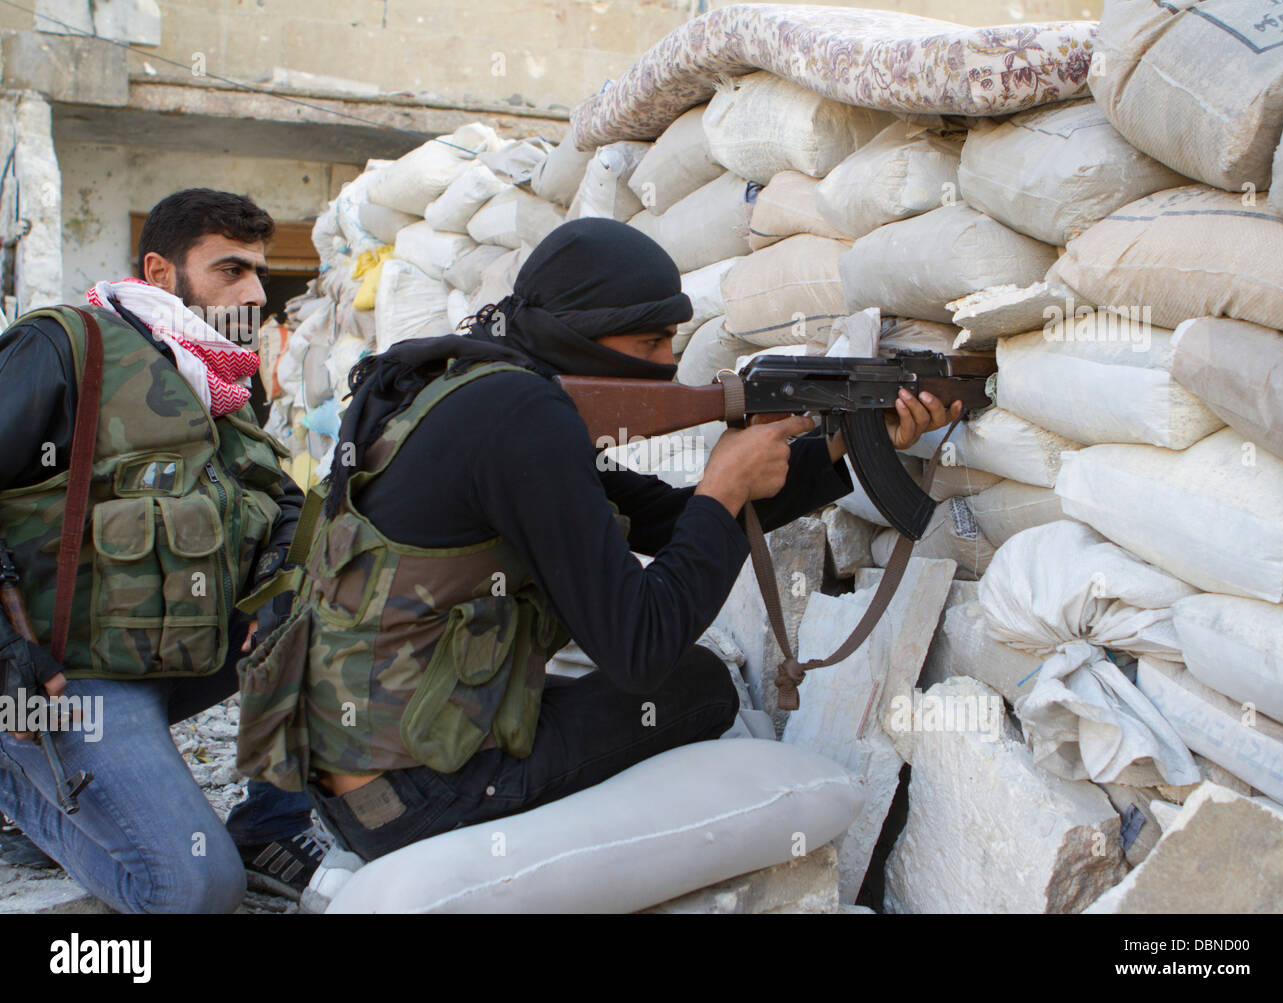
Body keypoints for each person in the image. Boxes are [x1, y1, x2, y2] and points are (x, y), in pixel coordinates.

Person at [243, 217, 957, 862]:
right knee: (697, 684)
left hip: (361, 776)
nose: (667, 362)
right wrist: (725, 487)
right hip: (415, 800)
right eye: (649, 341)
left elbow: (661, 518)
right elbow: (641, 648)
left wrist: (842, 448)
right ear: (574, 334)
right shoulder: (524, 414)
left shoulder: (470, 385)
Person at [0, 188, 327, 911]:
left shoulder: (214, 383)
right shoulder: (64, 347)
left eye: (259, 275)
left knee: (331, 586)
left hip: (160, 653)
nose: (252, 293)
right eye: (230, 270)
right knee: (192, 888)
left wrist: (278, 583)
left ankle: (270, 826)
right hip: (56, 678)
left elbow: (283, 505)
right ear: (160, 269)